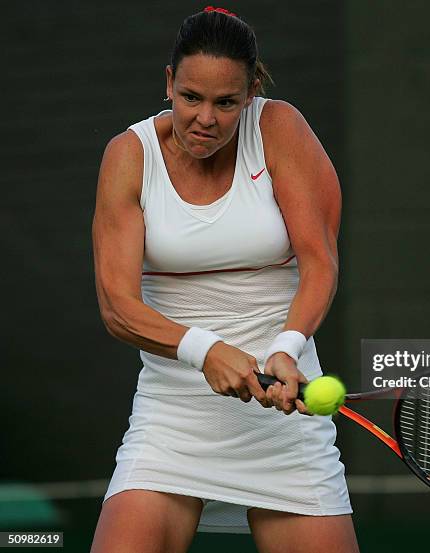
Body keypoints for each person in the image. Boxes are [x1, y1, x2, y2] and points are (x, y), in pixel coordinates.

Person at [90, 6, 359, 553]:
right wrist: (205, 350)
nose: (205, 119)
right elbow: (118, 306)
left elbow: (320, 262)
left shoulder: (280, 129)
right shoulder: (129, 156)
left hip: (284, 421)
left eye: (225, 102)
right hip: (173, 422)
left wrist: (288, 345)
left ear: (252, 91)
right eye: (191, 97)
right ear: (169, 82)